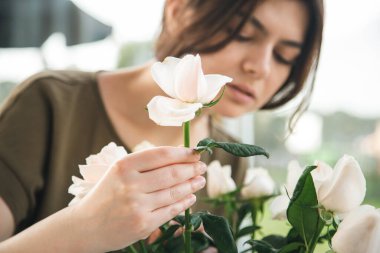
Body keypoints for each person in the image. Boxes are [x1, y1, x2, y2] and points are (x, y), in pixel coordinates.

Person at [0, 0, 324, 251]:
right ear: (178, 9)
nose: (261, 67)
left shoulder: (230, 162)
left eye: (285, 56)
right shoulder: (51, 104)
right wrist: (85, 226)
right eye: (243, 33)